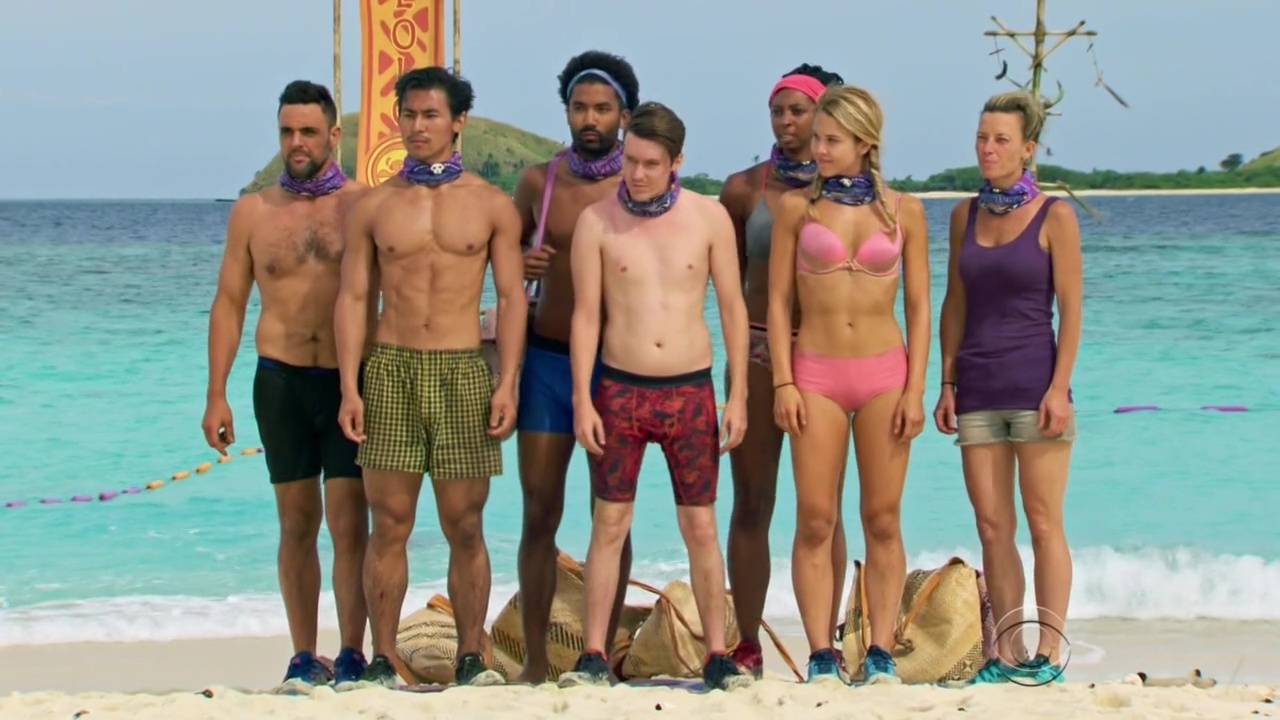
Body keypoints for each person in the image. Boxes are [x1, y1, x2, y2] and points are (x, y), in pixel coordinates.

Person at [333, 66, 526, 688]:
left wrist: (508, 381)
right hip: (391, 368)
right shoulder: (374, 206)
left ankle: (471, 654)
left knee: (464, 523)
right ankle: (382, 656)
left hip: (463, 368)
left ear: (458, 121)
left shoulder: (491, 205)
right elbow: (353, 297)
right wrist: (350, 386)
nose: (417, 126)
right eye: (409, 115)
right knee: (388, 521)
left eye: (431, 115)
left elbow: (512, 298)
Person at [557, 101, 752, 692]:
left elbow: (733, 309)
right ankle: (593, 655)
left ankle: (717, 655)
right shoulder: (597, 222)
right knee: (609, 522)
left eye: (650, 164)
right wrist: (582, 399)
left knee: (701, 526)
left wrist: (738, 395)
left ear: (676, 162)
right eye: (630, 161)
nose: (637, 174)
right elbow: (585, 317)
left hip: (690, 390)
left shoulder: (709, 217)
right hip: (621, 390)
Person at [201, 80, 374, 692]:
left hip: (349, 382)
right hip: (279, 381)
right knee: (296, 523)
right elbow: (229, 303)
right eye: (286, 131)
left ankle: (352, 652)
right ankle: (303, 654)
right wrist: (216, 393)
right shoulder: (253, 212)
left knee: (350, 523)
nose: (296, 142)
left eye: (308, 131)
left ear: (334, 135)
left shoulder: (363, 206)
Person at [767, 84, 930, 684]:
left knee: (882, 518)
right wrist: (783, 382)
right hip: (816, 374)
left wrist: (916, 389)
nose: (819, 149)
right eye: (817, 139)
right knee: (815, 518)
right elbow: (778, 302)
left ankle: (881, 648)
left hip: (886, 374)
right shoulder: (797, 209)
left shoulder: (904, 212)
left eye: (831, 140)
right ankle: (820, 652)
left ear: (865, 142)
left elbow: (920, 306)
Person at [933, 90, 1082, 685]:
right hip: (976, 389)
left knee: (1044, 523)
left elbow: (1071, 311)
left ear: (1027, 149)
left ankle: (1049, 653)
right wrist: (946, 381)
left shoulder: (1055, 216)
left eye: (1000, 139)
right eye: (981, 137)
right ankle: (1007, 652)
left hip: (1035, 389)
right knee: (993, 528)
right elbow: (954, 303)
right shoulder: (964, 216)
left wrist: (1059, 388)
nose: (987, 148)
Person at [512, 50, 641, 685]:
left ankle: (603, 656)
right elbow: (501, 260)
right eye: (579, 107)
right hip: (546, 361)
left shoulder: (640, 186)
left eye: (602, 108)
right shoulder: (540, 183)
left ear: (625, 115)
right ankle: (535, 661)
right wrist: (521, 262)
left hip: (615, 370)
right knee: (539, 513)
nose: (590, 119)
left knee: (610, 516)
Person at [716, 63, 844, 679]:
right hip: (760, 355)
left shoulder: (846, 190)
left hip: (823, 354)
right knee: (751, 502)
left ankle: (827, 639)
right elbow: (728, 282)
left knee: (824, 509)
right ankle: (747, 640)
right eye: (778, 111)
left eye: (799, 111)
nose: (786, 122)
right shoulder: (743, 190)